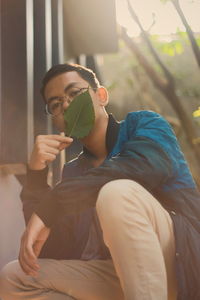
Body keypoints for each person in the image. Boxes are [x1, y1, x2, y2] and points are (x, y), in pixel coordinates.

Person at [0, 63, 200, 300]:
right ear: (56, 119)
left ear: (101, 95)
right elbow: (57, 248)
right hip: (120, 276)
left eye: (75, 93)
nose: (66, 104)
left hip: (180, 264)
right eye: (55, 104)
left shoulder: (144, 125)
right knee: (15, 276)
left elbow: (143, 166)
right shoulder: (74, 172)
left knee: (116, 192)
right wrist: (35, 176)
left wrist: (54, 203)